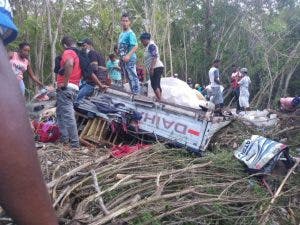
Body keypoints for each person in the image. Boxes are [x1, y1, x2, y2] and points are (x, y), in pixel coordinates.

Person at [0, 1, 58, 224]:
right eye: (24, 49)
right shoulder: (12, 56)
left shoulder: (26, 62)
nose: (26, 52)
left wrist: (41, 84)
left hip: (19, 86)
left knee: (22, 109)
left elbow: (31, 75)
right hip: (9, 87)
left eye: (27, 51)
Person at [56, 36, 82, 149]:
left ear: (65, 45)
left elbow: (69, 63)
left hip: (67, 88)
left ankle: (75, 144)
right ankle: (64, 138)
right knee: (60, 112)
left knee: (68, 115)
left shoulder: (68, 52)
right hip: (74, 87)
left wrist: (65, 82)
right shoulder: (79, 54)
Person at [118, 13, 140, 94]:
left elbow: (135, 46)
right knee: (128, 76)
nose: (124, 23)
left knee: (132, 76)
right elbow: (121, 48)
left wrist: (128, 55)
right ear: (121, 22)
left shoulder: (130, 33)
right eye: (123, 21)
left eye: (126, 21)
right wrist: (120, 59)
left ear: (129, 22)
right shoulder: (121, 34)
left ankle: (137, 94)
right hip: (123, 59)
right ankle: (133, 92)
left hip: (130, 58)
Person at [140, 32, 164, 101]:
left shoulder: (151, 45)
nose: (142, 43)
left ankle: (160, 100)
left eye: (142, 41)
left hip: (156, 67)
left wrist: (152, 68)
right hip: (157, 67)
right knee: (157, 84)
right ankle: (159, 98)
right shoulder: (149, 46)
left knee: (154, 85)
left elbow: (155, 57)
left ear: (146, 40)